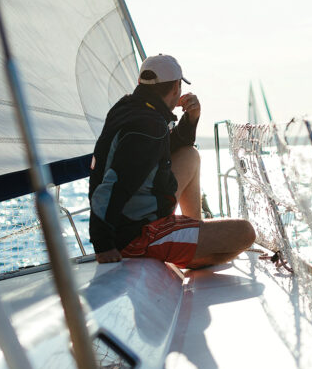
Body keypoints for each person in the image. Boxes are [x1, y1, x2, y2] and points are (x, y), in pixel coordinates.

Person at [88, 54, 255, 269]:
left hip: (137, 216)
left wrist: (191, 118)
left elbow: (167, 146)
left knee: (189, 154)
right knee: (244, 232)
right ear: (176, 87)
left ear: (140, 84)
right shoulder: (147, 127)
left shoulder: (131, 108)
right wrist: (103, 246)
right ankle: (193, 248)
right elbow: (111, 187)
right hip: (138, 234)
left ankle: (193, 231)